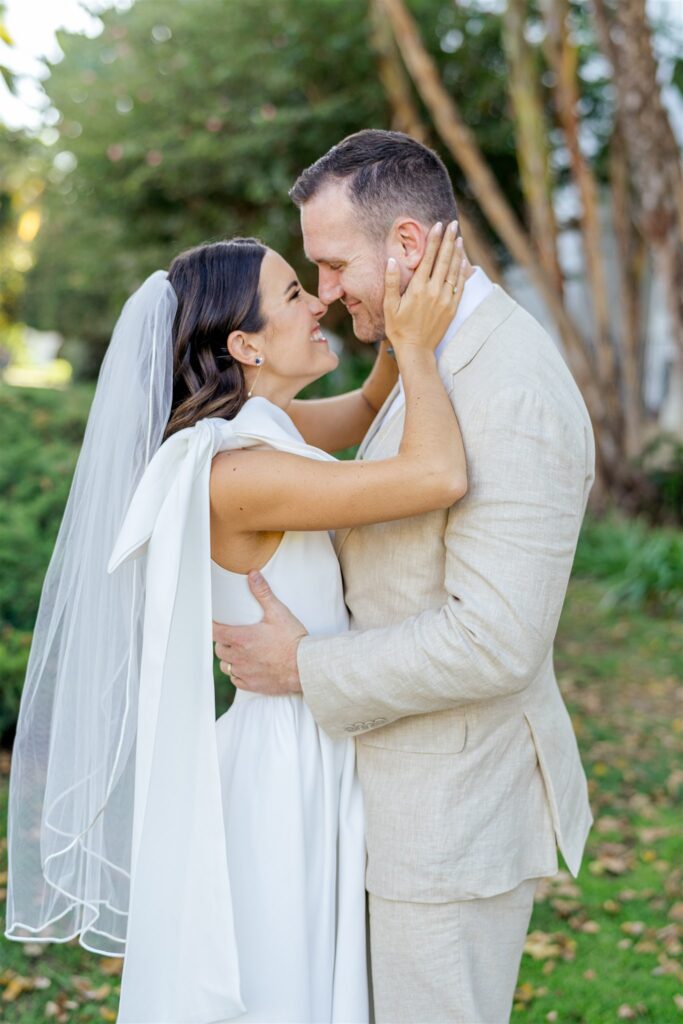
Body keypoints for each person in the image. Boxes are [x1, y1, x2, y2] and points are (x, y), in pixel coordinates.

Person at [5, 226, 470, 1023]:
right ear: (245, 344)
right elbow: (437, 475)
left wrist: (395, 321)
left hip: (304, 730)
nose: (321, 299)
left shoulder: (258, 434)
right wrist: (422, 352)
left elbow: (363, 409)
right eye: (295, 294)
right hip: (287, 764)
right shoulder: (241, 473)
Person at [213, 129, 596, 1024]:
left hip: (449, 822)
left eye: (334, 265)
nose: (329, 291)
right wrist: (401, 356)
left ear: (410, 247)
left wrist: (302, 670)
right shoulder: (435, 363)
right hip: (381, 800)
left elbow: (494, 640)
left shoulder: (511, 388)